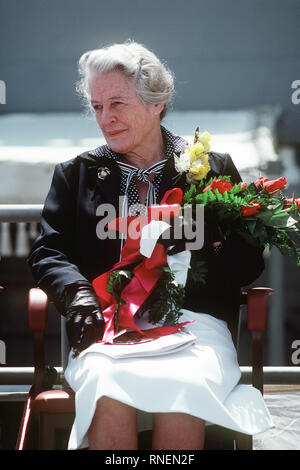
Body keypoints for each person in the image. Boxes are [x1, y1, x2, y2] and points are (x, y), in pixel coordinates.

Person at [27, 40, 273, 450]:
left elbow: (248, 261)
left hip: (196, 326)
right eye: (97, 106)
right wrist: (80, 297)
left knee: (183, 383)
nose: (105, 118)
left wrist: (204, 240)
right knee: (107, 385)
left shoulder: (210, 169)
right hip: (107, 326)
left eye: (117, 103)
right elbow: (48, 251)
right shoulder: (77, 174)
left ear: (156, 102)